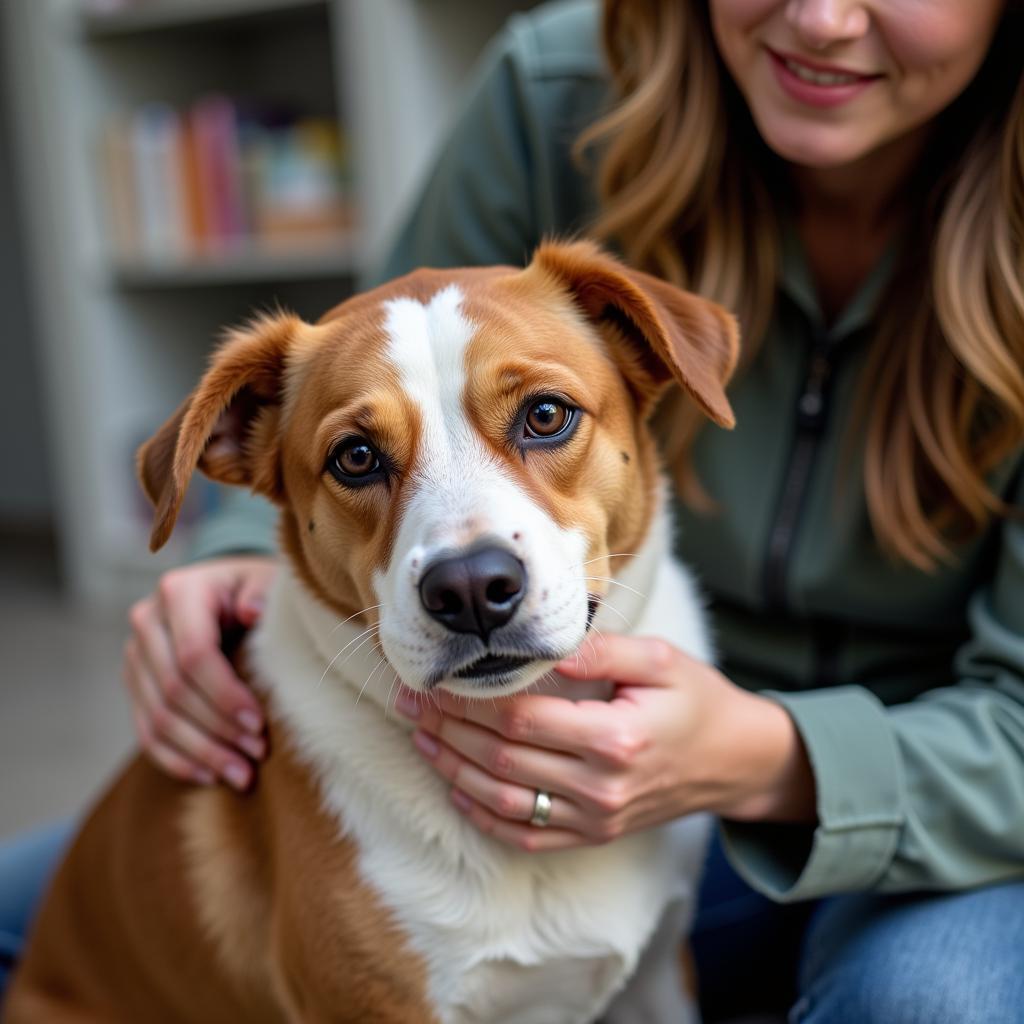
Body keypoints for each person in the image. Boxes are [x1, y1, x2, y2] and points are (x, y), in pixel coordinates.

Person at [4, 0, 1024, 1019]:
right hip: (576, 746)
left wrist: (770, 761)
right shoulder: (556, 87)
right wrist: (227, 557)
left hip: (949, 779)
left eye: (541, 416)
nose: (821, 17)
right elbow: (371, 354)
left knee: (926, 999)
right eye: (365, 461)